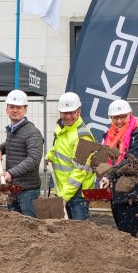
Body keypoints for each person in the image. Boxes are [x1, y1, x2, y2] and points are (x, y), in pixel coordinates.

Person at [99, 99, 138, 236]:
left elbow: (131, 161)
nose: (119, 121)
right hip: (119, 193)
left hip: (136, 193)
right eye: (115, 117)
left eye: (123, 117)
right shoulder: (109, 138)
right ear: (110, 118)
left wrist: (110, 176)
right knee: (123, 235)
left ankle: (133, 257)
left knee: (127, 235)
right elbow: (108, 163)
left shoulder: (137, 136)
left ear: (130, 115)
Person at [45, 92, 96, 220]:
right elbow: (59, 148)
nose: (68, 117)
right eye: (64, 113)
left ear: (79, 111)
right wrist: (50, 155)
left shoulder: (83, 136)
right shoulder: (61, 129)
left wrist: (64, 197)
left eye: (71, 112)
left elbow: (79, 171)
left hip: (77, 195)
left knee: (79, 234)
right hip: (63, 190)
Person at [0, 89, 44, 217]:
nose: (15, 110)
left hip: (28, 190)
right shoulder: (13, 130)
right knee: (15, 228)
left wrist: (11, 173)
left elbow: (33, 159)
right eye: (12, 107)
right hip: (13, 188)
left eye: (19, 107)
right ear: (7, 110)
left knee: (29, 227)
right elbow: (13, 145)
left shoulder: (32, 132)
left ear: (25, 110)